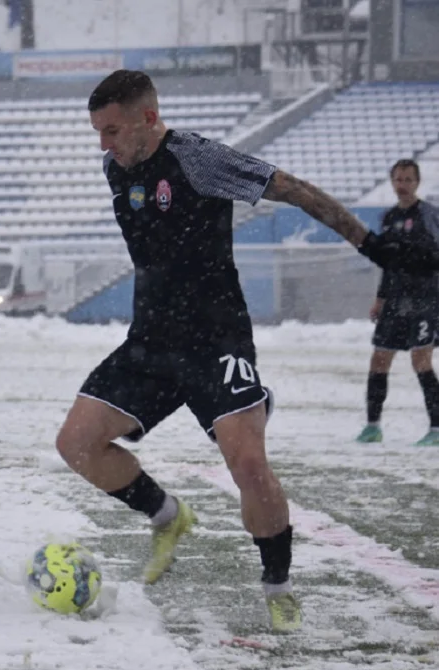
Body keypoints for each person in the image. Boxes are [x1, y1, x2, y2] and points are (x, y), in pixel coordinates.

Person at [53, 69, 426, 634]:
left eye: (111, 131)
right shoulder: (117, 168)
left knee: (249, 465)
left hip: (217, 340)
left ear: (148, 118)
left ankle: (278, 587)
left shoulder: (199, 159)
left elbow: (295, 189)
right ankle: (167, 515)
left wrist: (369, 243)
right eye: (98, 133)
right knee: (76, 444)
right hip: (152, 341)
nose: (103, 145)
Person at [357, 159, 439, 445]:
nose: (402, 185)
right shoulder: (389, 217)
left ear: (417, 183)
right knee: (379, 359)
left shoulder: (428, 215)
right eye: (398, 179)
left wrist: (413, 252)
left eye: (408, 180)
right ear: (392, 182)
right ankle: (372, 427)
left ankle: (436, 429)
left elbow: (435, 257)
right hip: (395, 300)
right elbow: (388, 264)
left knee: (421, 360)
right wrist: (380, 298)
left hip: (425, 298)